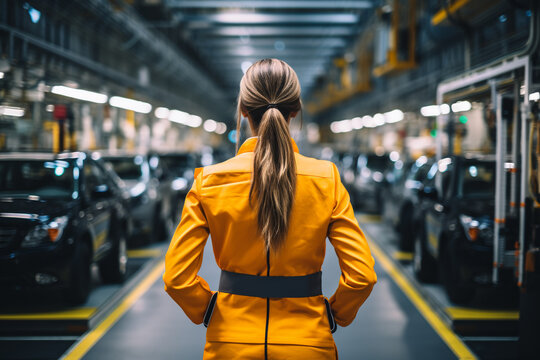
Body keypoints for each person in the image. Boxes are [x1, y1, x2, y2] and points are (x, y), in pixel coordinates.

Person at [163, 58, 377, 359]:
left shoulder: (209, 182)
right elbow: (362, 276)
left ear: (243, 110)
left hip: (229, 344)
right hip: (308, 344)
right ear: (296, 109)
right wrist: (334, 314)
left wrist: (209, 310)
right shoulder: (326, 179)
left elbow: (177, 278)